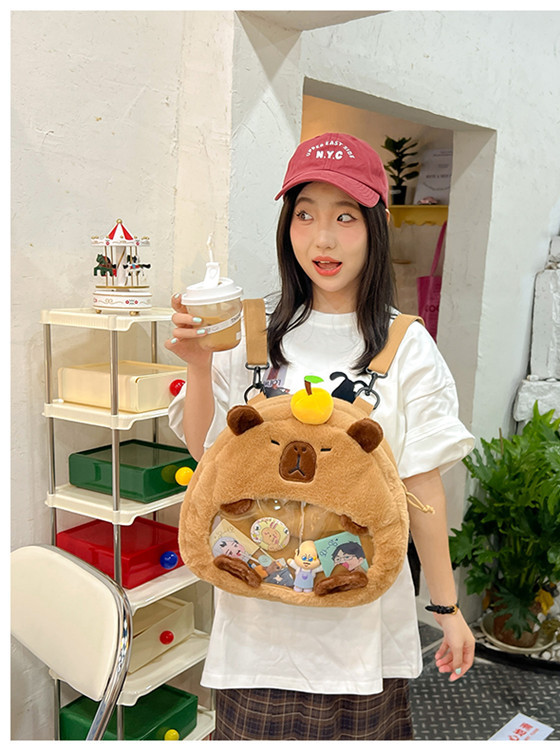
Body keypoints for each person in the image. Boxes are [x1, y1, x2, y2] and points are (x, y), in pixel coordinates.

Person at [166, 132, 476, 741]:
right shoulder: (249, 331)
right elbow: (208, 458)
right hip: (257, 630)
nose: (322, 240)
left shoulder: (407, 345)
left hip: (361, 629)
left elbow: (421, 488)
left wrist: (445, 606)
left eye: (344, 217)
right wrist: (199, 367)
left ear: (375, 227)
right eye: (304, 215)